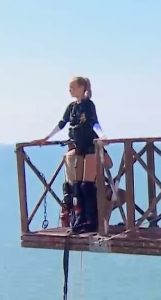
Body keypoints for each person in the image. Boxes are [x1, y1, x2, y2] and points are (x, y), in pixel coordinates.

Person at [35, 77, 110, 234]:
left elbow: (95, 123)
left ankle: (91, 220)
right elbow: (62, 123)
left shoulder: (88, 105)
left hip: (90, 146)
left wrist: (102, 136)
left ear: (82, 87)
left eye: (72, 87)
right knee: (77, 185)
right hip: (77, 146)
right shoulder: (71, 107)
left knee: (86, 185)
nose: (70, 90)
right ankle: (79, 218)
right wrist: (46, 137)